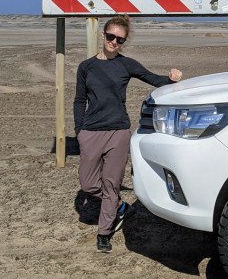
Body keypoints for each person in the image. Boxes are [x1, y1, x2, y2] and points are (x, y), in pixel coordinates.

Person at [73, 15, 182, 253]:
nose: (114, 42)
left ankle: (104, 233)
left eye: (119, 39)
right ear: (103, 35)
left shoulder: (126, 64)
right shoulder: (86, 67)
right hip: (91, 131)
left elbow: (152, 79)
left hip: (118, 132)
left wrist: (171, 79)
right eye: (110, 36)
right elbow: (80, 100)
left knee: (111, 184)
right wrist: (79, 131)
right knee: (89, 184)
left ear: (123, 42)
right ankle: (119, 207)